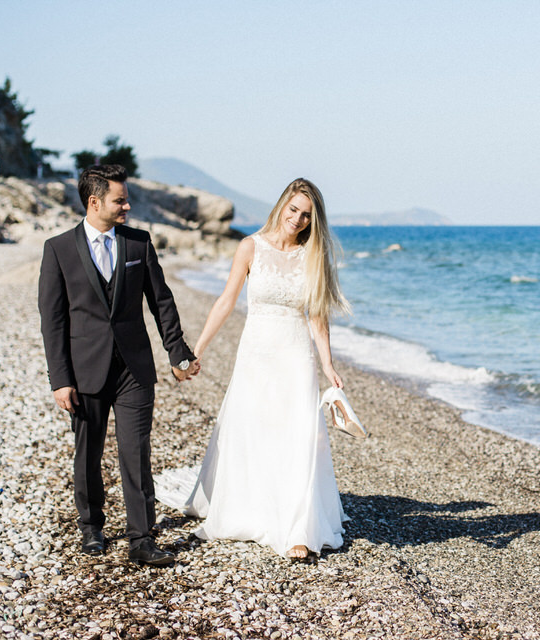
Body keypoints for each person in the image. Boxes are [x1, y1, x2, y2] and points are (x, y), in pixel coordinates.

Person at [156, 178, 350, 561]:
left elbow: (317, 315)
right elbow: (226, 300)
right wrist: (197, 350)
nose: (297, 219)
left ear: (314, 220)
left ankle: (297, 528)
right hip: (257, 351)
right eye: (293, 209)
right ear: (281, 206)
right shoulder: (250, 247)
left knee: (296, 432)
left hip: (295, 353)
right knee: (255, 426)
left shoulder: (312, 255)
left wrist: (327, 363)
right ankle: (252, 508)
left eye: (306, 215)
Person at [38, 164, 200, 566]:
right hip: (84, 373)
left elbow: (161, 301)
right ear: (94, 202)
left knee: (135, 452)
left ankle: (141, 538)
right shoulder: (57, 249)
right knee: (88, 455)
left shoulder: (138, 243)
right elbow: (52, 321)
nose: (127, 205)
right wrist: (61, 380)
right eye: (120, 199)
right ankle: (91, 527)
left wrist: (177, 351)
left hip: (134, 370)